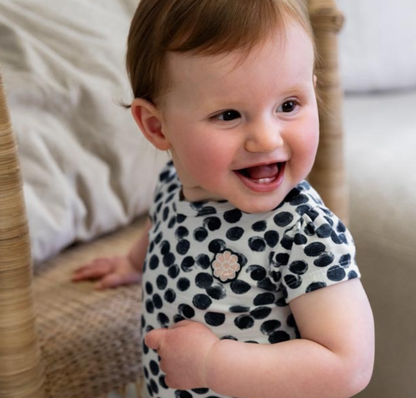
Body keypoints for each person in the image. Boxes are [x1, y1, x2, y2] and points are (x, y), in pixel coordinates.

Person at [73, 1, 375, 397]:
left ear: (312, 92)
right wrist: (133, 261)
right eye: (229, 115)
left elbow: (347, 367)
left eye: (288, 105)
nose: (267, 139)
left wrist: (210, 363)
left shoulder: (305, 235)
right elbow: (164, 224)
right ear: (157, 126)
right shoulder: (175, 183)